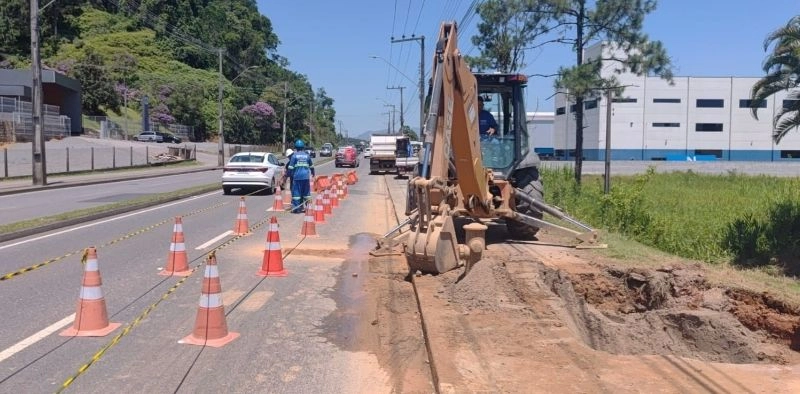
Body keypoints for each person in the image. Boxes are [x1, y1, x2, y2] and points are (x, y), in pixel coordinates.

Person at [286, 140, 314, 213]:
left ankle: (296, 208)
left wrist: (287, 175)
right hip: (306, 177)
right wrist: (313, 173)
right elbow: (311, 166)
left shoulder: (294, 156)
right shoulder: (307, 155)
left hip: (297, 177)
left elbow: (290, 168)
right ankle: (309, 207)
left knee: (296, 194)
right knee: (306, 193)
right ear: (303, 147)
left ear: (296, 148)